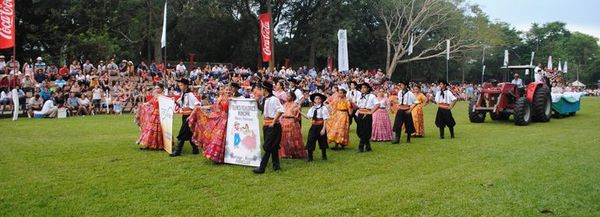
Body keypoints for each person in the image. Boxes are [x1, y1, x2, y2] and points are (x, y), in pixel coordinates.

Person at [253, 81, 284, 174]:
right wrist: (257, 101)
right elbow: (263, 109)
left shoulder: (274, 99)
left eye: (261, 89)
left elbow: (281, 110)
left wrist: (274, 122)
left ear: (265, 89)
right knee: (273, 146)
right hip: (266, 125)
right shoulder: (265, 99)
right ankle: (276, 165)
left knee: (267, 146)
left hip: (273, 126)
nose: (261, 90)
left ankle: (262, 167)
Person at [199, 86, 231, 164]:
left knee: (226, 139)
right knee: (217, 137)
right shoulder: (220, 98)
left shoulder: (233, 99)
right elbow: (214, 108)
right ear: (224, 90)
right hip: (221, 120)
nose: (228, 91)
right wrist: (202, 108)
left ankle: (223, 157)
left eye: (229, 90)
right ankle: (214, 156)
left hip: (230, 119)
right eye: (227, 90)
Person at [170, 79, 201, 157]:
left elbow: (197, 104)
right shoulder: (183, 94)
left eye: (181, 85)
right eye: (179, 85)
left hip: (189, 116)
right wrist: (175, 101)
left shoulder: (190, 95)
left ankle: (177, 151)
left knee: (182, 132)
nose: (180, 87)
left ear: (186, 85)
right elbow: (181, 105)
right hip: (185, 116)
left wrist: (191, 116)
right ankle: (195, 149)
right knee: (189, 133)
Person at [300, 92, 329, 161]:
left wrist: (323, 129)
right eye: (316, 99)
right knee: (310, 140)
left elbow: (325, 119)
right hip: (313, 127)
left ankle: (324, 156)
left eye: (319, 99)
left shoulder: (323, 108)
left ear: (321, 100)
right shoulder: (312, 108)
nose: (317, 100)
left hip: (321, 126)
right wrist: (299, 112)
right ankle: (310, 157)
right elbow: (308, 117)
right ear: (314, 100)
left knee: (322, 141)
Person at [136, 84, 165, 150]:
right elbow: (149, 102)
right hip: (153, 115)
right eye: (155, 88)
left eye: (158, 88)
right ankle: (149, 144)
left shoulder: (162, 97)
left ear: (161, 89)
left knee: (157, 130)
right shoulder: (155, 96)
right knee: (150, 130)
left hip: (160, 115)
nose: (156, 89)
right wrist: (143, 104)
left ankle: (158, 145)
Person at [279, 92, 306, 159]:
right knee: (284, 138)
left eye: (289, 96)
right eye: (287, 96)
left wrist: (291, 117)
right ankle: (286, 153)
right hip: (284, 123)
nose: (287, 97)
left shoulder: (296, 105)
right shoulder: (285, 104)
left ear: (293, 97)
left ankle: (294, 153)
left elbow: (297, 116)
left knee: (293, 138)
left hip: (292, 123)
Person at [354, 83, 377, 152]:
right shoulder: (359, 97)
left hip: (367, 114)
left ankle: (361, 146)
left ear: (368, 89)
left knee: (365, 130)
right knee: (359, 131)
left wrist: (371, 112)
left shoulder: (372, 96)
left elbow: (378, 104)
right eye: (361, 88)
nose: (362, 89)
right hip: (360, 114)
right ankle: (368, 145)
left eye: (364, 87)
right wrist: (352, 103)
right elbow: (357, 107)